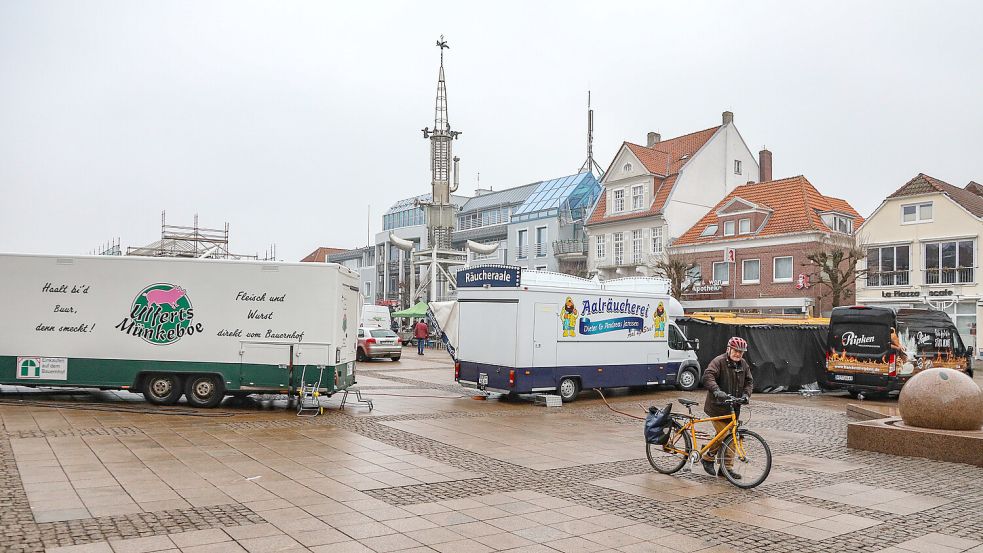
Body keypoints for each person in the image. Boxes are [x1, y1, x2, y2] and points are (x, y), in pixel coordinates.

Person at [701, 336, 754, 478]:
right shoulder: (718, 362)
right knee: (723, 435)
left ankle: (726, 469)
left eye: (741, 352)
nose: (738, 354)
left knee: (733, 437)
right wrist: (717, 391)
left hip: (734, 408)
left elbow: (749, 381)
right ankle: (708, 458)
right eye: (736, 351)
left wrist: (746, 395)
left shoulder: (743, 364)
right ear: (729, 349)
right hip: (717, 407)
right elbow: (708, 376)